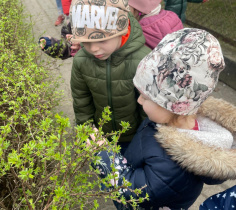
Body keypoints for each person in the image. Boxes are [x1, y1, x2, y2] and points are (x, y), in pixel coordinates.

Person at [90, 28, 236, 209]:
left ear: (173, 104)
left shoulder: (173, 165)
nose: (139, 100)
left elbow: (135, 191)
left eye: (145, 97)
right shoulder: (167, 119)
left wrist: (103, 155)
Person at [69, 0, 151, 153]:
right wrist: (86, 132)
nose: (93, 49)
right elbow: (81, 101)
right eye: (86, 42)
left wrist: (145, 141)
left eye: (102, 39)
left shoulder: (142, 60)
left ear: (122, 30)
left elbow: (147, 110)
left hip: (134, 139)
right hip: (100, 137)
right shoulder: (81, 61)